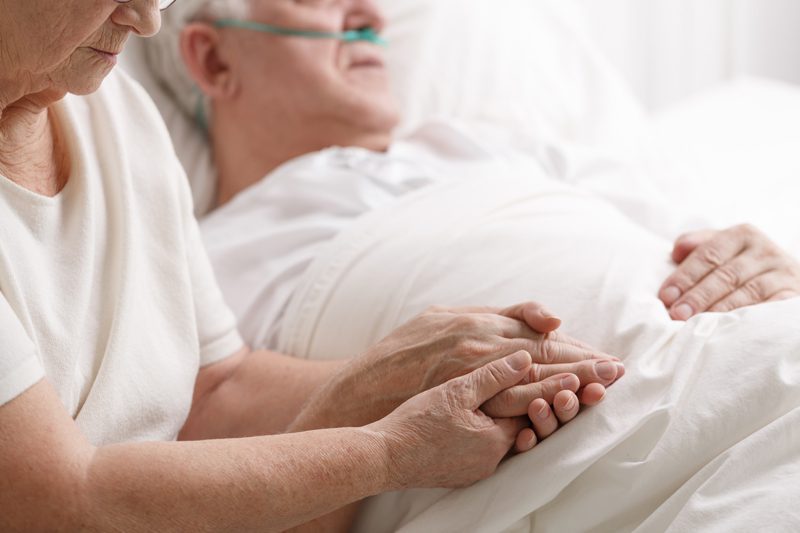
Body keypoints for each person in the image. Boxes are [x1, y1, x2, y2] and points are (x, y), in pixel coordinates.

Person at [0, 1, 625, 532]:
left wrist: (415, 369)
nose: (144, 20)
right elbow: (58, 499)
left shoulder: (119, 113)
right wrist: (388, 451)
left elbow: (214, 392)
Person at [148, 0, 800, 351]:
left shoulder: (491, 144)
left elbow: (707, 238)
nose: (372, 15)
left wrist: (762, 260)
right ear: (212, 57)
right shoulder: (202, 268)